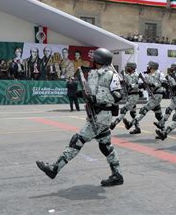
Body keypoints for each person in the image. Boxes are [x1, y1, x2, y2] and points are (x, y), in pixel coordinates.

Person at [36, 48, 125, 186]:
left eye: (94, 58)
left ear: (99, 60)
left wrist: (96, 98)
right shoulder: (93, 74)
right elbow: (89, 91)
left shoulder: (111, 75)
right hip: (94, 114)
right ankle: (117, 175)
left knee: (77, 140)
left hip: (102, 116)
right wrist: (80, 93)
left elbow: (118, 96)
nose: (92, 60)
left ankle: (54, 168)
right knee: (105, 146)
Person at [124, 61, 167, 134]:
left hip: (157, 95)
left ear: (152, 67)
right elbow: (141, 84)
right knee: (158, 114)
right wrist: (132, 86)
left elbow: (165, 83)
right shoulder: (147, 75)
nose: (147, 67)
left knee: (144, 109)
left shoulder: (159, 73)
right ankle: (164, 131)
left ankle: (131, 124)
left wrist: (154, 84)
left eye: (149, 66)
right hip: (152, 96)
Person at [110, 62, 140, 130]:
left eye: (128, 67)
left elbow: (139, 84)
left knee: (124, 109)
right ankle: (137, 128)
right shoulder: (127, 75)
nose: (126, 68)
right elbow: (124, 83)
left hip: (134, 95)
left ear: (132, 68)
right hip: (129, 96)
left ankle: (114, 123)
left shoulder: (136, 75)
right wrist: (121, 80)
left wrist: (131, 85)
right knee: (133, 113)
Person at [153, 63, 176, 131]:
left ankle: (161, 123)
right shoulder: (170, 76)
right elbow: (165, 83)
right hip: (173, 96)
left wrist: (170, 86)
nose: (171, 69)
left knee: (169, 110)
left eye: (172, 67)